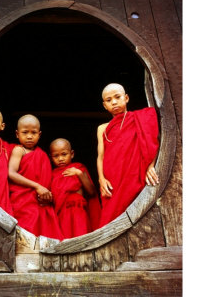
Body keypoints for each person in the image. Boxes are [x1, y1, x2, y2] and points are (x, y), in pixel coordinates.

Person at [97, 83, 160, 227]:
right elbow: (100, 156)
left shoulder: (141, 119)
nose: (114, 102)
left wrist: (150, 165)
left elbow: (153, 140)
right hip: (112, 182)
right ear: (104, 105)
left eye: (117, 97)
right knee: (109, 221)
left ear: (126, 98)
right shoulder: (102, 128)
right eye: (109, 100)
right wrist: (101, 179)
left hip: (133, 176)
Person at [8, 114, 63, 240]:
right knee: (26, 236)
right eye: (25, 132)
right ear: (17, 134)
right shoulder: (19, 150)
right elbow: (11, 173)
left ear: (39, 134)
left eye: (33, 132)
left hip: (41, 201)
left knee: (45, 238)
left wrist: (47, 195)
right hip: (23, 200)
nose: (29, 136)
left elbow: (48, 180)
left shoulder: (42, 155)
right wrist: (37, 186)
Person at [50, 138, 101, 238]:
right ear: (51, 157)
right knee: (66, 243)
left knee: (82, 238)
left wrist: (79, 174)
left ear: (72, 154)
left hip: (78, 211)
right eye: (56, 156)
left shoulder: (79, 168)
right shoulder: (52, 175)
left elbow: (91, 192)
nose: (60, 159)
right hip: (62, 214)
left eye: (64, 154)